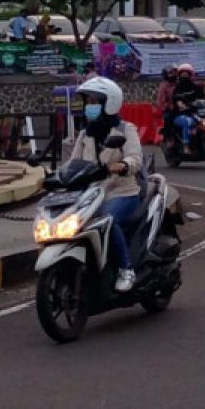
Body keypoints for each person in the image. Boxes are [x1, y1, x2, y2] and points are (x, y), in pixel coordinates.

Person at [70, 76, 143, 292]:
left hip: (122, 191)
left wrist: (122, 165)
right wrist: (51, 178)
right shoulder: (86, 133)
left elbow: (135, 158)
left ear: (108, 103)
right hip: (91, 195)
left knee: (107, 220)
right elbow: (74, 163)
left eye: (94, 101)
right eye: (88, 101)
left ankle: (125, 269)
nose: (90, 106)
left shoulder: (125, 129)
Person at [171, 63, 205, 153]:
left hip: (194, 114)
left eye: (186, 75)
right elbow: (177, 99)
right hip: (180, 115)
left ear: (191, 75)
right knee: (187, 122)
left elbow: (203, 98)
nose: (184, 77)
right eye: (182, 75)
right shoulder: (177, 89)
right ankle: (185, 145)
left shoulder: (196, 87)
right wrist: (181, 105)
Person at [156, 65, 178, 145]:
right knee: (168, 118)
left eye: (175, 72)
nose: (174, 75)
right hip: (169, 110)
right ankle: (169, 137)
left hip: (181, 107)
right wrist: (169, 106)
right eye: (171, 73)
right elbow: (160, 102)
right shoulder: (164, 86)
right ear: (166, 75)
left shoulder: (178, 84)